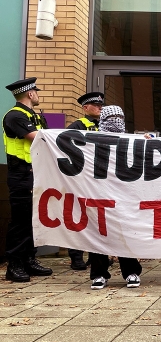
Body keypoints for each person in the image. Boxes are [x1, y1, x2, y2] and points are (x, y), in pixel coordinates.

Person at [2, 77, 53, 282]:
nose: (38, 95)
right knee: (21, 221)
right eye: (36, 92)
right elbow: (39, 138)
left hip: (36, 172)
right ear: (30, 94)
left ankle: (29, 260)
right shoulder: (15, 116)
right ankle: (14, 265)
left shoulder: (34, 116)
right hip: (21, 174)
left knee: (33, 220)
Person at [89, 105, 143, 289]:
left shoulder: (130, 140)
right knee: (98, 234)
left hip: (122, 195)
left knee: (123, 233)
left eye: (119, 116)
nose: (116, 120)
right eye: (112, 117)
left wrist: (147, 142)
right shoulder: (90, 140)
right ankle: (98, 274)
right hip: (99, 194)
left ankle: (131, 271)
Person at [65, 91, 104, 270]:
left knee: (97, 216)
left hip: (100, 177)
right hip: (82, 177)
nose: (100, 108)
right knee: (78, 215)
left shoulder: (105, 125)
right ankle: (76, 256)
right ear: (85, 107)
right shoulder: (78, 125)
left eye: (101, 105)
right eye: (96, 105)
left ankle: (96, 256)